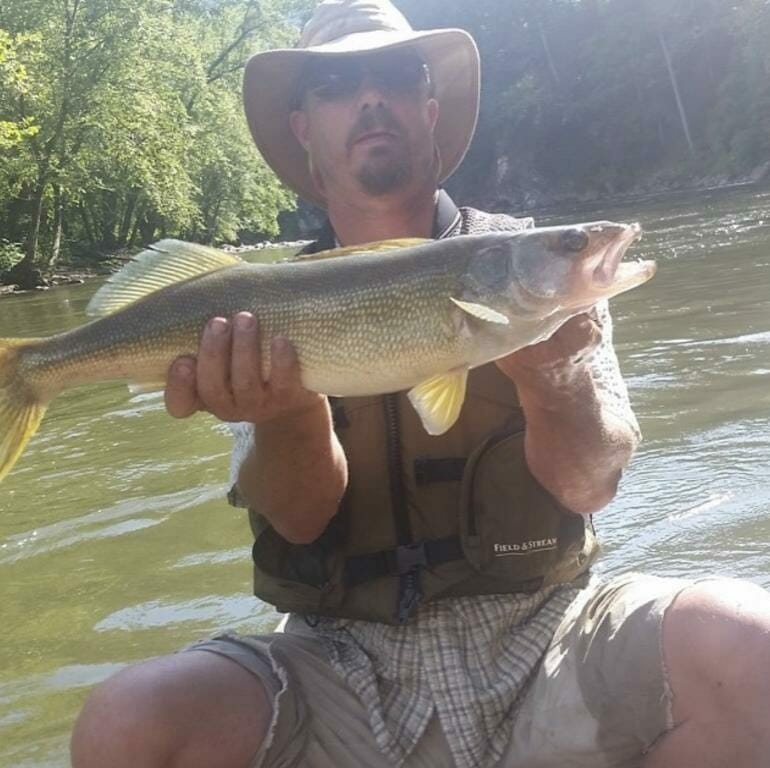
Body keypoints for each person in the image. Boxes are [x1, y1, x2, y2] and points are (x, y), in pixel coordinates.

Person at [70, 1, 770, 767]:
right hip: (335, 667)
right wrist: (285, 416)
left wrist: (556, 377)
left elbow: (592, 482)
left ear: (430, 108)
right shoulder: (253, 302)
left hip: (544, 639)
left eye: (397, 75)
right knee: (126, 724)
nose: (370, 97)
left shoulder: (538, 279)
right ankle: (32, 368)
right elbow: (300, 522)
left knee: (751, 647)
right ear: (304, 127)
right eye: (337, 83)